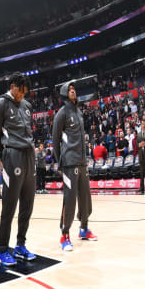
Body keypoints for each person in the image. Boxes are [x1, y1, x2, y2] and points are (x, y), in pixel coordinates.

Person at [0, 73, 37, 266]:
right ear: (12, 86)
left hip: (29, 156)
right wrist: (5, 156)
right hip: (12, 156)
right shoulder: (1, 104)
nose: (22, 95)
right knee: (9, 205)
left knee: (27, 204)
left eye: (25, 92)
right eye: (20, 91)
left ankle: (20, 245)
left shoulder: (26, 105)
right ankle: (2, 250)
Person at [52, 81, 98, 252]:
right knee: (69, 200)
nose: (73, 91)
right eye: (70, 90)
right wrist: (60, 162)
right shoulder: (61, 114)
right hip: (69, 163)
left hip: (82, 162)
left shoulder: (79, 112)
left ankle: (84, 229)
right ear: (65, 93)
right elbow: (55, 140)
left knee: (85, 199)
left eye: (74, 89)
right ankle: (64, 235)